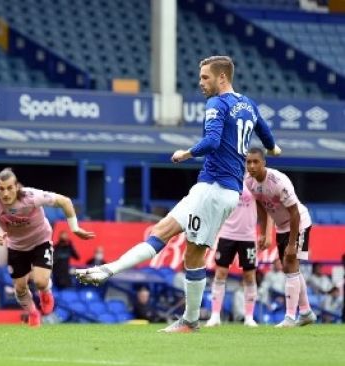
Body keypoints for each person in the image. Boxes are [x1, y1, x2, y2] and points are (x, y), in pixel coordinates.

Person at [76, 55, 280, 333]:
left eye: (206, 77)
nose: (201, 83)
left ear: (222, 77)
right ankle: (109, 270)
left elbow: (212, 141)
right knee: (165, 231)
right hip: (215, 189)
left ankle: (189, 320)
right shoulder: (248, 104)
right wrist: (274, 149)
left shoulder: (217, 104)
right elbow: (266, 137)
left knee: (191, 255)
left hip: (215, 189)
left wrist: (185, 153)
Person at [0, 168, 95, 327]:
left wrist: (75, 228)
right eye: (1, 189)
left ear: (17, 186)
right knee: (20, 289)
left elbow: (65, 201)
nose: (5, 193)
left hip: (40, 242)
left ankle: (46, 293)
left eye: (9, 188)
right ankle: (33, 313)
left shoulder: (31, 196)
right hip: (16, 247)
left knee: (40, 282)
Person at [245, 148, 317, 327]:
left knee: (290, 262)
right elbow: (261, 205)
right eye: (248, 162)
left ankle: (290, 317)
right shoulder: (248, 182)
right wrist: (263, 231)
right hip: (281, 226)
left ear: (264, 163)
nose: (252, 166)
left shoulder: (278, 182)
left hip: (299, 222)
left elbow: (295, 213)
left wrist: (292, 244)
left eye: (256, 162)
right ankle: (306, 312)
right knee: (288, 267)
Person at [205, 185, 273, 327]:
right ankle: (215, 316)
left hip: (248, 236)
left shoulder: (254, 182)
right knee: (220, 273)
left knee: (249, 276)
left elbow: (264, 207)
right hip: (226, 233)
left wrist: (264, 233)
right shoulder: (227, 178)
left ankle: (249, 317)